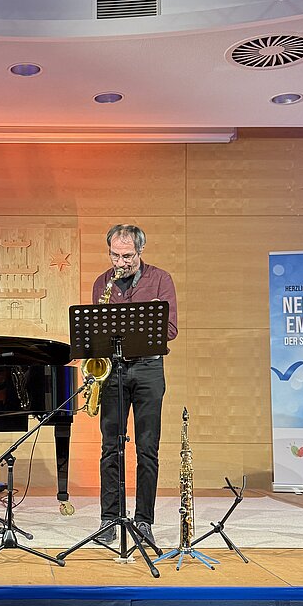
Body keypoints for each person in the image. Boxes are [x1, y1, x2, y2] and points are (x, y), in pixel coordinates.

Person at [91, 225, 178, 545]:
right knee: (109, 447)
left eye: (127, 256)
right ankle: (109, 518)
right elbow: (94, 332)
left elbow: (170, 329)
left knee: (147, 448)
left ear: (140, 251)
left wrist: (139, 326)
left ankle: (144, 520)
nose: (120, 263)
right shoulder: (102, 282)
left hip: (148, 369)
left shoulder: (161, 279)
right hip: (113, 370)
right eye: (114, 255)